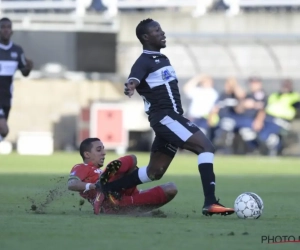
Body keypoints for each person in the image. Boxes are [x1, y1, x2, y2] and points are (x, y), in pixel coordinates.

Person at [96, 18, 235, 216]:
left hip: (169, 119)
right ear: (146, 37)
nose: (162, 33)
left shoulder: (163, 59)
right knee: (206, 147)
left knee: (155, 171)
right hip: (165, 117)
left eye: (161, 29)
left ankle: (107, 189)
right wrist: (131, 86)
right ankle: (210, 202)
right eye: (156, 31)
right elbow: (134, 78)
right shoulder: (143, 61)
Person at [68, 138, 178, 215]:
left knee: (171, 189)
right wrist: (93, 186)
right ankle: (103, 187)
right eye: (99, 150)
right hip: (112, 200)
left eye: (103, 149)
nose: (104, 153)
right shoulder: (82, 167)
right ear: (87, 154)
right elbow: (72, 184)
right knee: (131, 159)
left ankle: (132, 210)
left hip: (125, 200)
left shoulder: (99, 171)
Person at [0, 17, 33, 142]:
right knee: (4, 129)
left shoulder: (17, 51)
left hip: (6, 98)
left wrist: (28, 68)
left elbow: (24, 72)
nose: (6, 30)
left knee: (3, 133)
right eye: (3, 27)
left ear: (12, 31)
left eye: (8, 27)